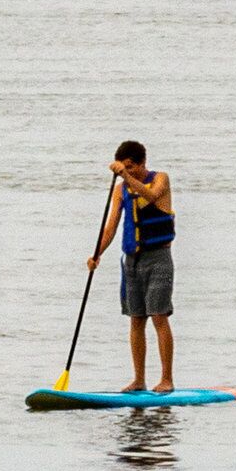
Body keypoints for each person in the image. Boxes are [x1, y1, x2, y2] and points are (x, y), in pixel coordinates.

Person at [84, 141, 175, 392]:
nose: (127, 172)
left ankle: (167, 379)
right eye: (124, 168)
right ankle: (139, 380)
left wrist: (124, 175)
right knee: (136, 319)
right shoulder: (120, 190)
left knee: (159, 316)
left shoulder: (161, 180)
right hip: (132, 262)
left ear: (142, 163)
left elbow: (151, 196)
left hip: (158, 259)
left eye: (131, 167)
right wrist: (96, 254)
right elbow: (111, 226)